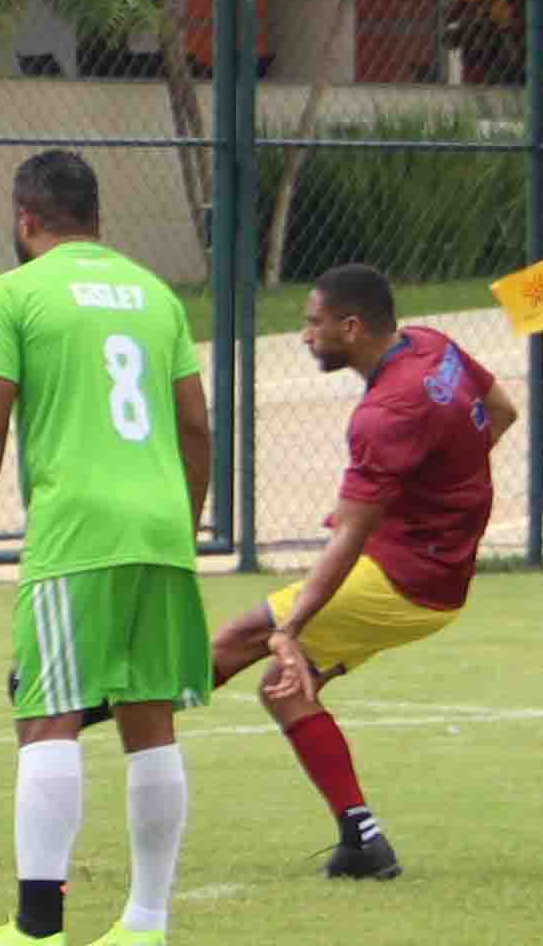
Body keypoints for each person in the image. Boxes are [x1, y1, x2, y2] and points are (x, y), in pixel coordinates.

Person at [0, 148, 219, 946]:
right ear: (96, 217)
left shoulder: (14, 294)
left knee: (47, 714)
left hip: (78, 532)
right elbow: (195, 428)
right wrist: (180, 523)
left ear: (26, 219)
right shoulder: (155, 295)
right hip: (162, 527)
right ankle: (145, 923)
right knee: (149, 716)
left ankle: (37, 931)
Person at [206, 263, 510, 878]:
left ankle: (83, 710)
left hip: (401, 580)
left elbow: (349, 536)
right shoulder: (433, 345)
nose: (305, 335)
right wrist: (440, 490)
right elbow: (500, 410)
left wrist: (290, 628)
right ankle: (362, 843)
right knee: (284, 687)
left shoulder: (386, 412)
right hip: (436, 578)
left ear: (351, 327)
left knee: (239, 640)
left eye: (313, 323)